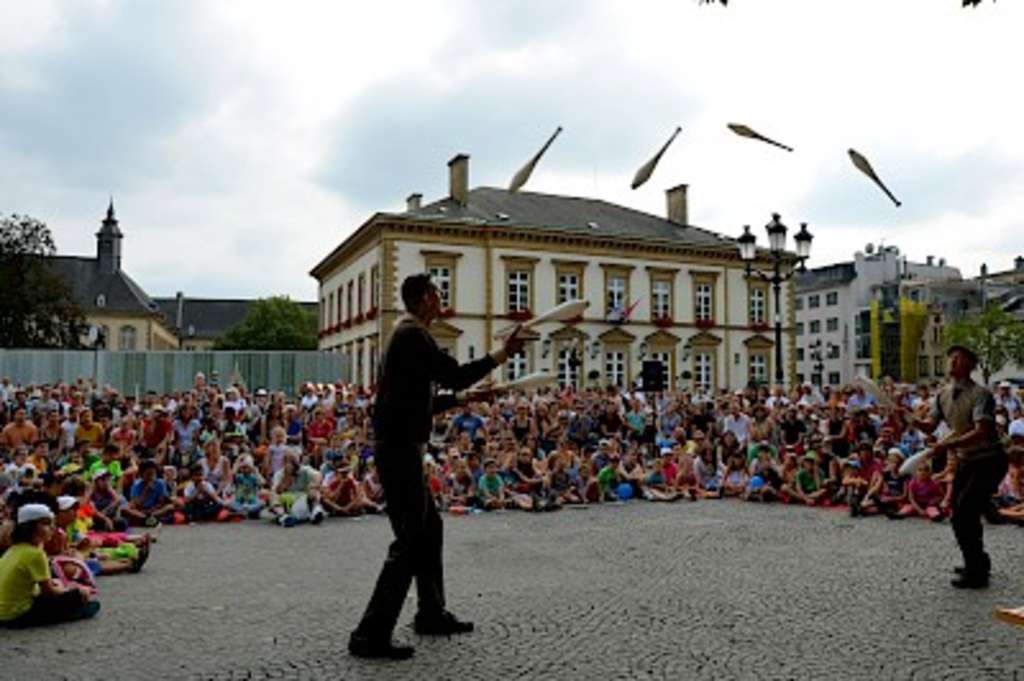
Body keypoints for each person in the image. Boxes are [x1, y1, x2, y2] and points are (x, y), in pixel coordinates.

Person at [349, 273, 524, 660]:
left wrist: (464, 397)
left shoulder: (404, 334)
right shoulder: (413, 335)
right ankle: (369, 633)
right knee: (410, 540)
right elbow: (452, 372)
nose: (441, 299)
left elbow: (420, 399)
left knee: (429, 528)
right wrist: (501, 354)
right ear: (425, 298)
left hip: (399, 446)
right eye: (437, 293)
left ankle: (430, 611)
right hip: (399, 449)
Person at [910, 345, 1009, 588]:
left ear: (970, 365)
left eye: (959, 358)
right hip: (966, 460)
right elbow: (930, 426)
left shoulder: (981, 394)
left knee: (966, 509)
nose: (953, 362)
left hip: (989, 460)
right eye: (951, 358)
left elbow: (981, 432)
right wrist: (909, 418)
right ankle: (974, 560)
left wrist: (947, 445)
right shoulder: (942, 394)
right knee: (958, 513)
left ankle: (977, 572)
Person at [0, 504, 100, 627]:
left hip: (3, 614)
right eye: (46, 524)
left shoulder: (13, 549)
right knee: (80, 595)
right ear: (31, 528)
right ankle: (71, 612)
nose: (52, 528)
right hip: (18, 616)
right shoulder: (36, 554)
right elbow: (49, 592)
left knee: (57, 582)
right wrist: (72, 591)